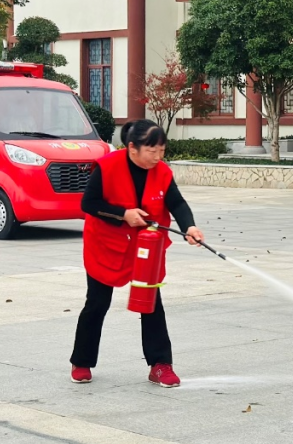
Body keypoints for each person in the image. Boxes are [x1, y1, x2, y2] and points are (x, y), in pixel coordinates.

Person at [72, 119, 205, 388]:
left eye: (162, 151)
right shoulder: (108, 166)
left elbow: (176, 202)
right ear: (133, 148)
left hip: (145, 248)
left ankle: (160, 365)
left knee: (151, 303)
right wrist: (123, 214)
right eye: (151, 151)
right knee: (97, 303)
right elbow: (89, 203)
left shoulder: (163, 172)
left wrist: (189, 226)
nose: (157, 157)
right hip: (106, 246)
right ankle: (82, 361)